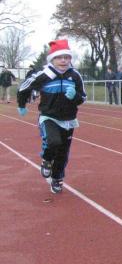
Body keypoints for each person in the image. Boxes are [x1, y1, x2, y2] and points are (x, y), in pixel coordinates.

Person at [16, 39, 85, 194]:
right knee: (53, 141)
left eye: (66, 57)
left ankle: (57, 178)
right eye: (59, 57)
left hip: (68, 119)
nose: (63, 61)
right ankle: (46, 160)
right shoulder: (44, 75)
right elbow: (23, 88)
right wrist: (21, 105)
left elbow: (82, 98)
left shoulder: (75, 75)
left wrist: (74, 96)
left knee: (63, 153)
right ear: (52, 59)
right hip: (49, 117)